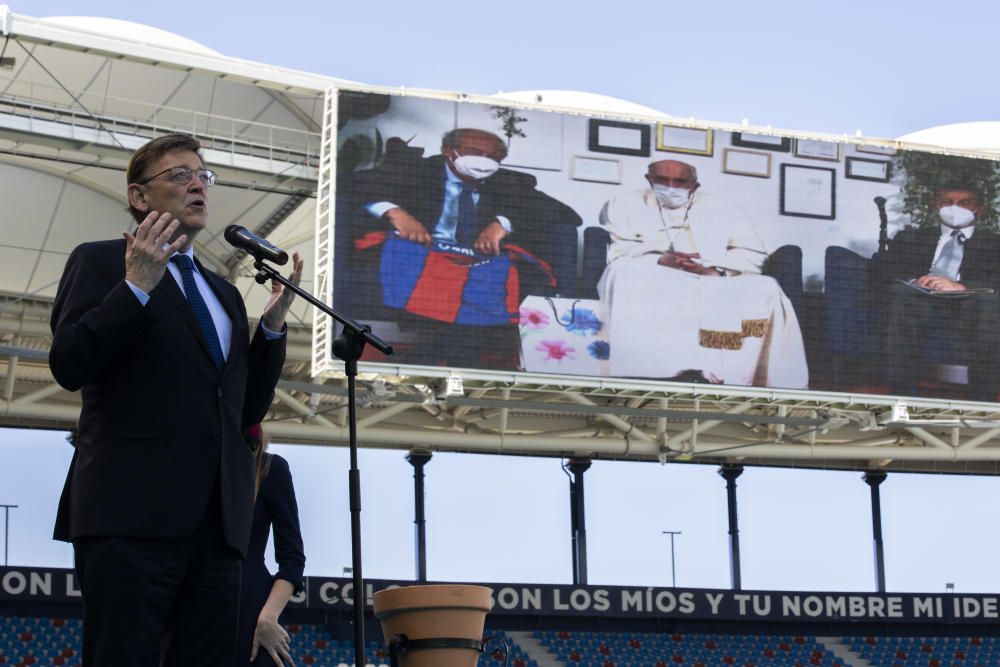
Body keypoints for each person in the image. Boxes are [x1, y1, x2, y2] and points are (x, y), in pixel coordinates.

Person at [48, 133, 305, 667]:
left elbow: (244, 412)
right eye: (180, 174)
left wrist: (273, 330)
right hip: (130, 515)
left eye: (204, 175)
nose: (198, 184)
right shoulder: (99, 263)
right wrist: (137, 286)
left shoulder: (226, 293)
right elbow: (69, 363)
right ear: (140, 198)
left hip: (218, 526)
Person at [341, 127, 581, 369]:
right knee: (428, 270)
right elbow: (350, 184)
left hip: (475, 258)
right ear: (449, 151)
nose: (484, 161)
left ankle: (434, 357)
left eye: (494, 157)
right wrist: (393, 211)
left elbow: (566, 215)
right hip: (422, 249)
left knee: (487, 277)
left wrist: (503, 224)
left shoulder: (511, 182)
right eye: (475, 152)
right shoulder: (415, 169)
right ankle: (456, 358)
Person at [597, 159, 808, 388]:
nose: (670, 186)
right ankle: (649, 373)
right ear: (649, 179)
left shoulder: (727, 209)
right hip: (656, 272)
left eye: (679, 182)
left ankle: (736, 376)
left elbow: (751, 253)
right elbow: (620, 249)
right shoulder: (623, 204)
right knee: (622, 272)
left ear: (695, 185)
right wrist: (663, 259)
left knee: (766, 287)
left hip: (713, 276)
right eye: (661, 180)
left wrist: (714, 268)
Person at [879, 185, 1000, 401]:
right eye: (947, 202)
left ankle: (983, 399)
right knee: (901, 295)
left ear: (979, 209)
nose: (954, 208)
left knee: (991, 303)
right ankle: (901, 395)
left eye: (964, 203)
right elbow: (886, 269)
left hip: (971, 302)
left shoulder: (994, 244)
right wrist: (915, 281)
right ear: (937, 206)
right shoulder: (911, 238)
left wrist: (962, 286)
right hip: (920, 299)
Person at [236, 425, 305, 667]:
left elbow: (293, 558)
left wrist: (268, 617)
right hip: (195, 605)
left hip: (249, 607)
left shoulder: (269, 468)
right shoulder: (193, 465)